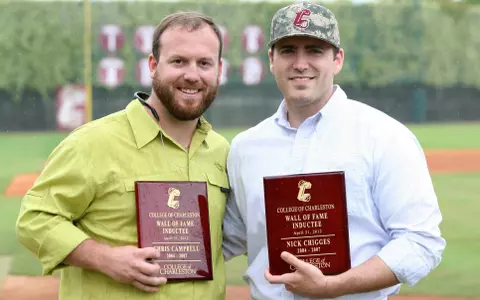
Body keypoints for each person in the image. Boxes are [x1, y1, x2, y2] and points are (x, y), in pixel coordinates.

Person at [222, 1, 446, 299]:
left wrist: (333, 286)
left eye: (315, 50)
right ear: (272, 60)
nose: (300, 63)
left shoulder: (384, 136)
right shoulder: (245, 147)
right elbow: (233, 234)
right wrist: (144, 252)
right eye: (288, 50)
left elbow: (421, 242)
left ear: (337, 59)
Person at [16, 11, 230, 300]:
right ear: (153, 65)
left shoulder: (222, 151)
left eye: (204, 63)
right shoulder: (92, 143)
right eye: (178, 61)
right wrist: (106, 259)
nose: (192, 75)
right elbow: (35, 219)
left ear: (218, 70)